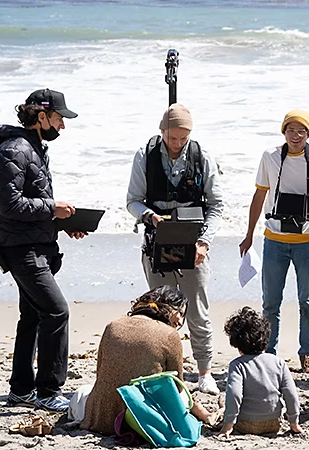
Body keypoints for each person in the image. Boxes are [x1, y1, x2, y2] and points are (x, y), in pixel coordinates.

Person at [0, 88, 85, 412]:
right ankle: (47, 391)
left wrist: (64, 222)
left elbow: (30, 205)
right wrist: (51, 209)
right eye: (59, 119)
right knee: (57, 311)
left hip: (33, 243)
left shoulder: (33, 148)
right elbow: (7, 204)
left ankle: (21, 389)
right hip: (21, 249)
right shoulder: (13, 151)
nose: (62, 126)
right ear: (41, 116)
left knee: (31, 316)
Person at [126, 103, 223, 395]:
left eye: (183, 138)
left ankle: (205, 372)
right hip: (157, 242)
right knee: (160, 312)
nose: (178, 144)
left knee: (197, 312)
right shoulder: (145, 155)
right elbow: (133, 200)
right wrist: (149, 216)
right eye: (172, 138)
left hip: (194, 244)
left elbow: (217, 205)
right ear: (162, 132)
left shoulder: (202, 156)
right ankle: (167, 373)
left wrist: (204, 242)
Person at [239, 110, 309, 374]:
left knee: (307, 301)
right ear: (283, 132)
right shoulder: (270, 157)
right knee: (271, 302)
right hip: (275, 240)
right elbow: (259, 196)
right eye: (291, 130)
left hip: (308, 240)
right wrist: (249, 234)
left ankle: (306, 354)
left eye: (302, 131)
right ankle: (269, 354)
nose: (296, 136)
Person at [80, 286, 213, 435]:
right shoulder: (169, 334)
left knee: (82, 392)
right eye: (180, 313)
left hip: (102, 420)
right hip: (143, 421)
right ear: (168, 308)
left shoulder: (112, 326)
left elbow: (101, 372)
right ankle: (203, 414)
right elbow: (177, 387)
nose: (181, 322)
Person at [219, 306, 302, 437]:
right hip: (273, 423)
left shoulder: (237, 365)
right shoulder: (278, 362)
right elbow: (291, 394)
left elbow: (234, 395)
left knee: (223, 404)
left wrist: (228, 425)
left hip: (245, 423)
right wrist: (294, 422)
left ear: (237, 343)